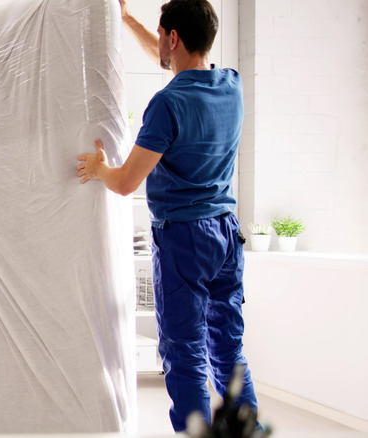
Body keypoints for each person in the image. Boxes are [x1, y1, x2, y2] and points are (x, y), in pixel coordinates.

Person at [77, 0, 258, 432]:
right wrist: (127, 21)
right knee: (227, 348)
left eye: (161, 34)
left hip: (185, 238)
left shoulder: (166, 104)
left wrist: (98, 167)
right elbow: (180, 68)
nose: (158, 41)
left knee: (183, 349)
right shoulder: (231, 86)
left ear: (172, 38)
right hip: (226, 235)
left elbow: (124, 183)